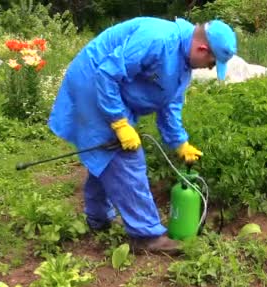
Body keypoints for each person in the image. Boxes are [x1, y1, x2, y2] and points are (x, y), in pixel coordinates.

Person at [48, 16, 237, 254]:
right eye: (211, 63)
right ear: (202, 49)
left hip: (107, 86)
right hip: (93, 82)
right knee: (125, 157)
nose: (208, 68)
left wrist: (180, 142)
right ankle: (147, 235)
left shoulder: (182, 62)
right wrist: (118, 121)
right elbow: (106, 74)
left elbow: (170, 103)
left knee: (107, 156)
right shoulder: (158, 39)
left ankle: (98, 219)